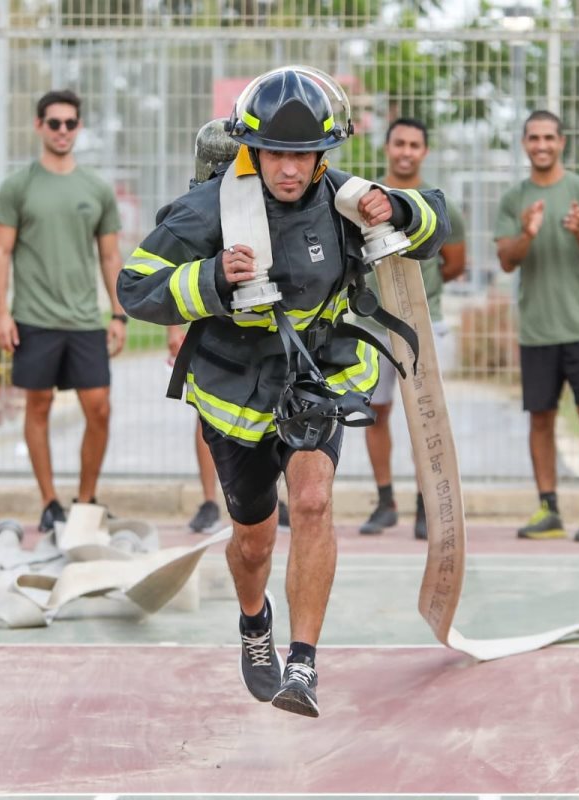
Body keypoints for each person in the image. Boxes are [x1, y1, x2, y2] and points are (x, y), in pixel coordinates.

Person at [118, 68, 448, 716]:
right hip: (235, 391)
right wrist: (212, 278)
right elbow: (136, 286)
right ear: (252, 149)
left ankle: (303, 663)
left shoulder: (347, 199)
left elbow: (439, 223)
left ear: (323, 153)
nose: (290, 170)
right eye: (275, 154)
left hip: (317, 376)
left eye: (304, 155)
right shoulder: (209, 209)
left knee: (314, 501)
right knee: (254, 540)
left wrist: (402, 210)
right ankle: (254, 621)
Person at [0, 89, 126, 533]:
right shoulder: (18, 186)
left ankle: (86, 501)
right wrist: (1, 314)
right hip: (33, 318)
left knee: (99, 409)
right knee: (38, 406)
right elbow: (0, 252)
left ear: (78, 127)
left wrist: (118, 314)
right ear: (39, 126)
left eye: (70, 123)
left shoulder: (96, 188)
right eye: (54, 123)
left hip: (84, 320)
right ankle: (49, 502)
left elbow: (110, 256)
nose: (62, 131)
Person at [495, 110, 579, 543]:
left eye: (549, 137)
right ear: (524, 144)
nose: (542, 145)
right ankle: (548, 508)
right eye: (534, 138)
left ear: (561, 142)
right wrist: (527, 233)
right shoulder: (514, 199)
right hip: (537, 330)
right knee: (541, 418)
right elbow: (506, 260)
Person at [357, 117, 467, 539]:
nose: (406, 152)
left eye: (414, 145)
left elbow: (454, 264)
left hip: (424, 323)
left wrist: (420, 292)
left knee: (425, 415)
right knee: (375, 412)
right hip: (372, 324)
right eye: (399, 143)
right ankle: (385, 502)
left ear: (425, 151)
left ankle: (428, 505)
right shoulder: (362, 198)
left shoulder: (441, 204)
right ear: (387, 148)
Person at [168, 324, 222, 533]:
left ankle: (273, 501)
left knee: (273, 413)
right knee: (205, 412)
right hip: (214, 328)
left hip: (268, 327)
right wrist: (173, 330)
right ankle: (210, 503)